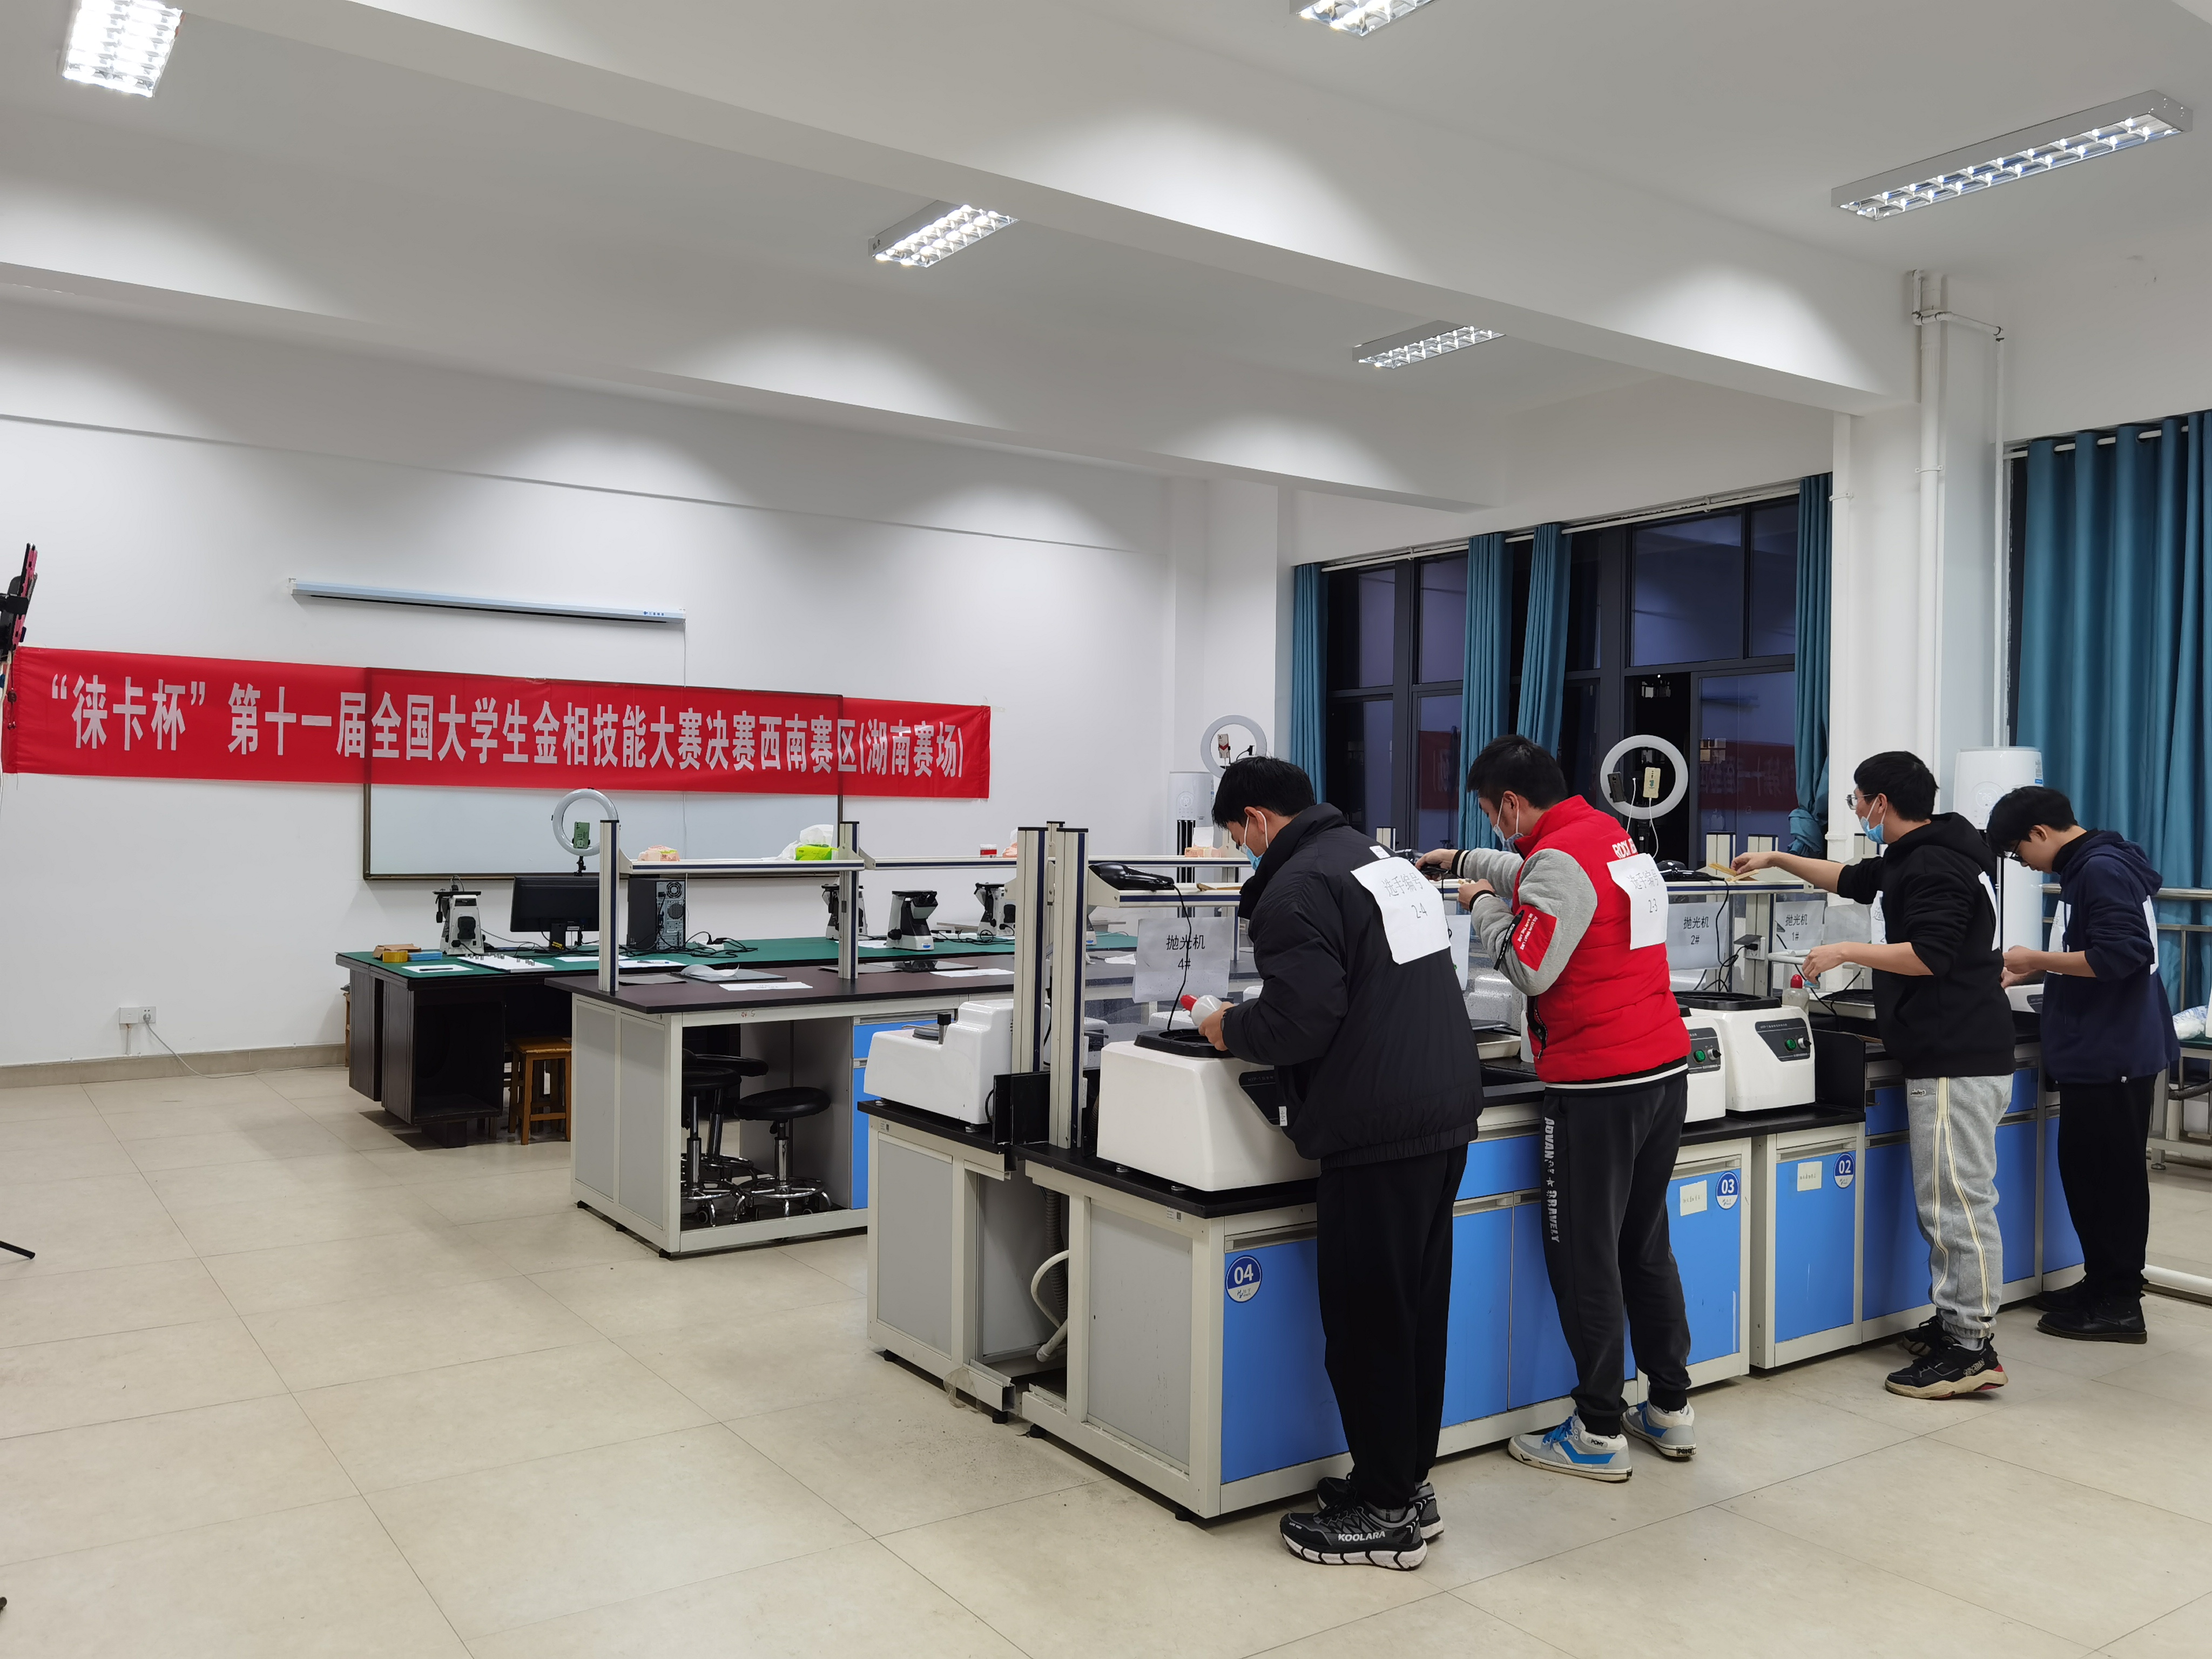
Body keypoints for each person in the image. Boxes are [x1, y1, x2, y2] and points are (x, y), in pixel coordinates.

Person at [1194, 756, 1482, 1570]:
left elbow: (1302, 1021)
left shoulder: (1294, 888)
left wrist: (1226, 1027)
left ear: (1255, 819)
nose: (1244, 850)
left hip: (1377, 1128)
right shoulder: (1378, 861)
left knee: (1367, 1327)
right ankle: (1404, 1482)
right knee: (1413, 1315)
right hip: (1442, 1112)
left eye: (1238, 836)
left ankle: (1385, 1515)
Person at [1418, 734, 1695, 1482]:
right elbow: (1539, 875)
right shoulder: (1605, 835)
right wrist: (1464, 860)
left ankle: (1597, 1428)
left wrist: (1480, 906)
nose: (1494, 826)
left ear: (1511, 803)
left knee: (1584, 1254)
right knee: (1643, 1242)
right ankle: (1668, 1405)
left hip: (1599, 1085)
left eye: (1490, 814)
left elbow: (1528, 964)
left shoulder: (1560, 861)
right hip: (1662, 1069)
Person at [1736, 750, 2014, 1398]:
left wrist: (1842, 950)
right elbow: (1852, 879)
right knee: (1947, 1201)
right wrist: (1777, 859)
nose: (1856, 810)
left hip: (1955, 1054)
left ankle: (1971, 1346)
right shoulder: (1927, 849)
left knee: (1957, 1204)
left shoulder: (1934, 863)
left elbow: (1930, 955)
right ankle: (1955, 1323)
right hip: (1954, 1048)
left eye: (1857, 800)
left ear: (1880, 802)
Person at [1987, 785, 2176, 1343]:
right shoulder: (2093, 864)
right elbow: (2096, 949)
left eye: (2019, 851)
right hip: (2105, 1049)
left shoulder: (2099, 869)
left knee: (2110, 1181)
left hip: (2113, 1053)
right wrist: (2038, 970)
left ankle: (2119, 1302)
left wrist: (2035, 957)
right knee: (2090, 1175)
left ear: (2040, 833)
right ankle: (2103, 1283)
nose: (2023, 862)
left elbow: (2124, 954)